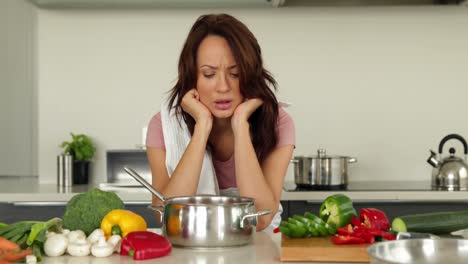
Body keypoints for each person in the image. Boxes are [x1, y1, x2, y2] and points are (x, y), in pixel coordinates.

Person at [146, 13, 295, 232]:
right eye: (209, 74)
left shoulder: (277, 122)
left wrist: (241, 125)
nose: (223, 87)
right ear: (192, 77)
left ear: (251, 75)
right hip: (189, 247)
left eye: (235, 74)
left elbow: (260, 219)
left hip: (259, 246)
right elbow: (167, 217)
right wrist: (202, 127)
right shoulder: (163, 126)